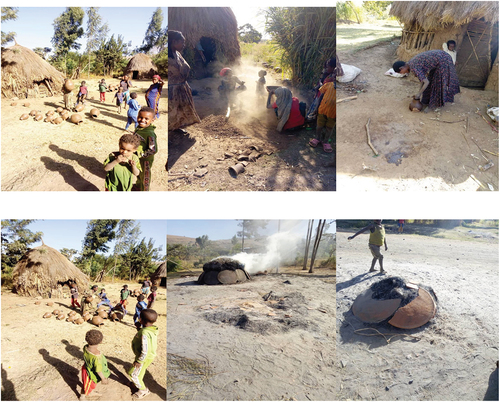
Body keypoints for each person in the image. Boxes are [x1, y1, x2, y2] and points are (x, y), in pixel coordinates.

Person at [392, 50, 460, 110]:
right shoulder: (410, 64)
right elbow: (423, 79)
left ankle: (436, 104)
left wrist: (419, 93)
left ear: (401, 68)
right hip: (440, 58)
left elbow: (426, 82)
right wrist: (419, 92)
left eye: (401, 72)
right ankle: (427, 102)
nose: (403, 73)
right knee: (430, 79)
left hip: (443, 60)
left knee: (437, 82)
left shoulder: (414, 67)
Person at [168, 30, 201, 133]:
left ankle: (177, 128)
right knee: (173, 111)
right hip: (172, 90)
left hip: (182, 87)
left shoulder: (177, 54)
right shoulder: (168, 58)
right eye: (182, 42)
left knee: (181, 110)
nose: (184, 45)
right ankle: (170, 132)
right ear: (174, 41)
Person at [128, 309, 158, 399]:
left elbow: (145, 350)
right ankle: (135, 384)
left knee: (133, 374)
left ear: (141, 319)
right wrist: (139, 328)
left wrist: (139, 361)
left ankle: (143, 390)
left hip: (144, 357)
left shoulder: (145, 333)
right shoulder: (151, 329)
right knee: (140, 371)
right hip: (147, 357)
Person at [80, 330, 110, 400]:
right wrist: (103, 378)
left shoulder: (85, 347)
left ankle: (90, 392)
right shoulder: (96, 356)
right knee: (86, 386)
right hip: (90, 374)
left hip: (86, 368)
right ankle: (82, 397)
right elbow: (98, 370)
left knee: (89, 385)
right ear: (101, 342)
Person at [133, 107, 157, 191]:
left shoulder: (149, 133)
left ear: (152, 120)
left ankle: (144, 190)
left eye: (146, 118)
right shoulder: (139, 128)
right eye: (140, 117)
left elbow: (153, 150)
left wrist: (140, 155)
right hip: (138, 158)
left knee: (145, 176)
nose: (142, 120)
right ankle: (138, 186)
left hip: (145, 160)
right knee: (139, 174)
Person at [309, 80, 335, 153]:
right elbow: (320, 97)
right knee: (319, 125)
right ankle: (317, 138)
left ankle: (326, 142)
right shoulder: (328, 85)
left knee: (329, 127)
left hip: (333, 113)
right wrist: (316, 108)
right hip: (322, 110)